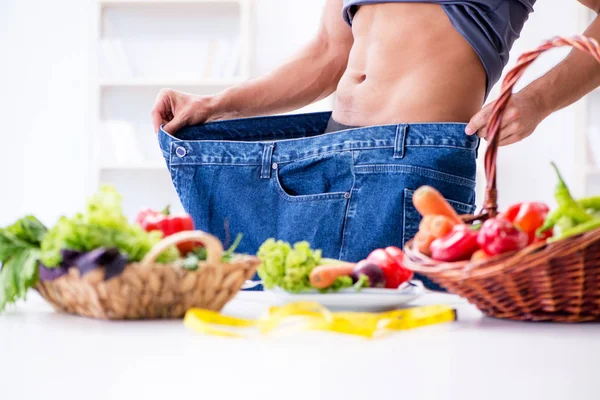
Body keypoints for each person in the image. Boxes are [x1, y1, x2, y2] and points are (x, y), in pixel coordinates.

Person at [151, 1, 600, 289]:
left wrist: (537, 100)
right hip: (323, 156)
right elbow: (328, 53)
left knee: (397, 355)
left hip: (411, 167)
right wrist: (214, 105)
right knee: (291, 341)